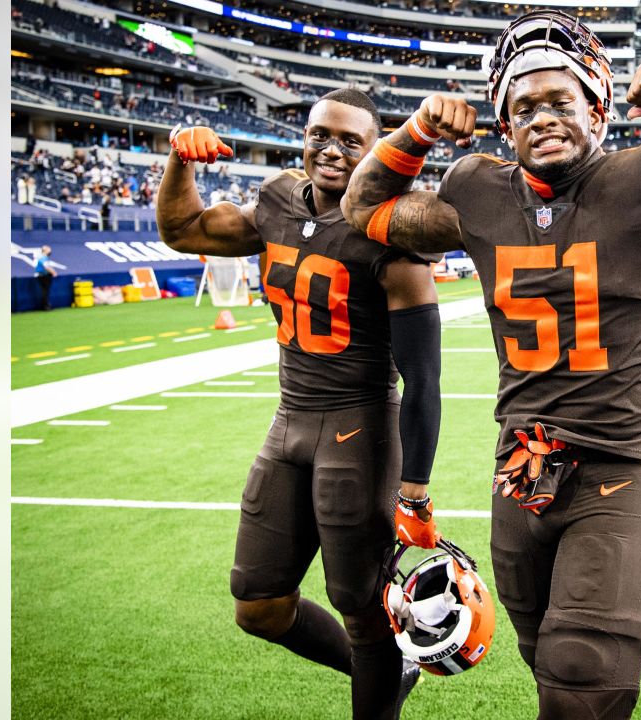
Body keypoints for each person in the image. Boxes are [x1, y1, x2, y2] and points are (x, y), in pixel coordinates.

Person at [341, 10, 641, 717]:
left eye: (560, 101)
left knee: (583, 675)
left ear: (598, 110)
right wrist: (414, 132)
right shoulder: (479, 198)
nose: (541, 117)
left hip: (616, 467)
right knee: (547, 668)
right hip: (520, 476)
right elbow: (363, 208)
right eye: (523, 108)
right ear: (504, 128)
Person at [156, 89, 441, 720]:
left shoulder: (390, 233)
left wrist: (415, 488)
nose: (332, 150)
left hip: (359, 428)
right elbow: (182, 230)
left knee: (363, 609)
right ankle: (395, 671)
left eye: (350, 141)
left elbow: (423, 378)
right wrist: (181, 159)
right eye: (320, 134)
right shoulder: (276, 201)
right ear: (304, 137)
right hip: (288, 422)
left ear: (376, 153)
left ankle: (383, 679)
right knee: (258, 604)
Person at [34, 245, 56, 311]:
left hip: (42, 275)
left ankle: (46, 305)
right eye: (49, 249)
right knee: (45, 291)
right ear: (45, 250)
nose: (50, 251)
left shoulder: (42, 257)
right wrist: (53, 272)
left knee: (45, 291)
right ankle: (46, 306)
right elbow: (46, 267)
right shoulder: (43, 258)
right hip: (44, 276)